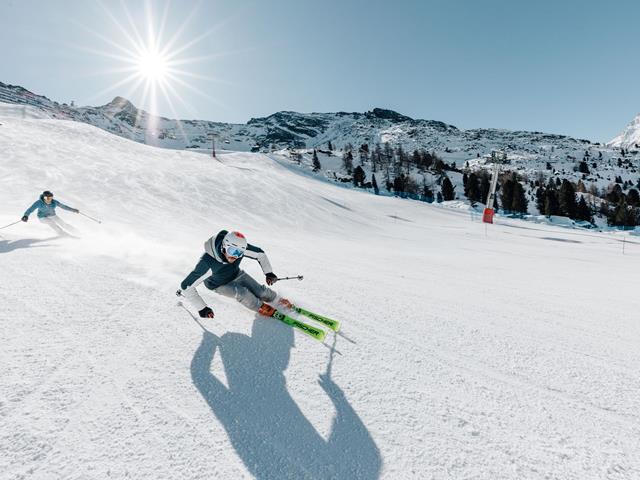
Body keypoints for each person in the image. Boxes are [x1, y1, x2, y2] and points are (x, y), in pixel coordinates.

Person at [177, 230, 291, 319]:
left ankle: (276, 299)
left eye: (239, 253)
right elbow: (186, 286)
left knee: (261, 291)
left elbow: (259, 254)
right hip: (218, 284)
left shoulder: (237, 248)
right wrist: (202, 308)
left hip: (236, 274)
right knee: (242, 292)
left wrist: (268, 272)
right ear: (224, 246)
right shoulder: (208, 263)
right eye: (232, 251)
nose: (235, 256)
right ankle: (260, 307)